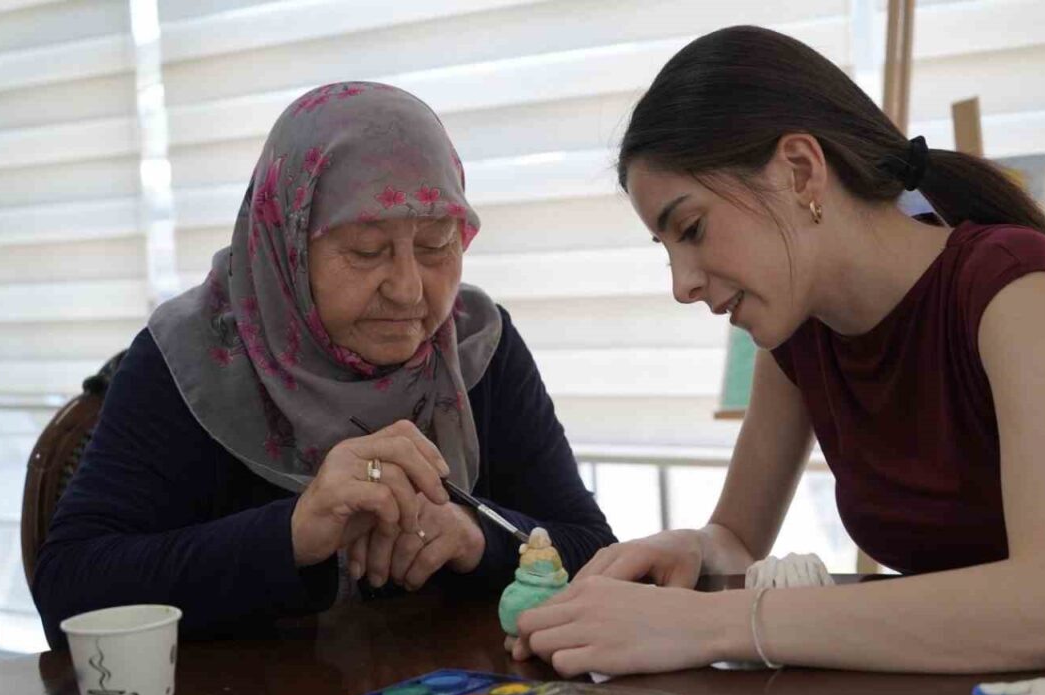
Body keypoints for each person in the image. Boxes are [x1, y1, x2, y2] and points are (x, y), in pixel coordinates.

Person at [512, 26, 1045, 676]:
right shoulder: (800, 334)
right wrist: (685, 550)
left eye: (691, 228)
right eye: (667, 251)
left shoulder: (1013, 290)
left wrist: (717, 626)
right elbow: (739, 543)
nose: (682, 284)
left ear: (801, 170)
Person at [33, 82, 614, 648]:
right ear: (285, 242)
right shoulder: (195, 357)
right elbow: (71, 590)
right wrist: (294, 532)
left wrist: (476, 539)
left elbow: (594, 548)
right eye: (366, 250)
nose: (410, 289)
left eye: (438, 244)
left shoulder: (474, 344)